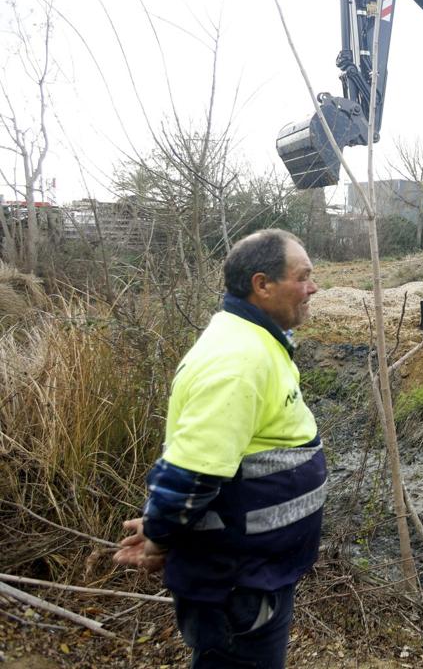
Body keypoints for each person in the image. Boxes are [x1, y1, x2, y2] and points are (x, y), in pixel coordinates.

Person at [115, 229, 325, 669]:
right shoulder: (238, 360)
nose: (314, 287)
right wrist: (159, 533)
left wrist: (163, 528)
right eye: (303, 276)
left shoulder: (257, 343)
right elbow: (191, 475)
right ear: (262, 285)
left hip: (253, 574)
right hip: (236, 584)